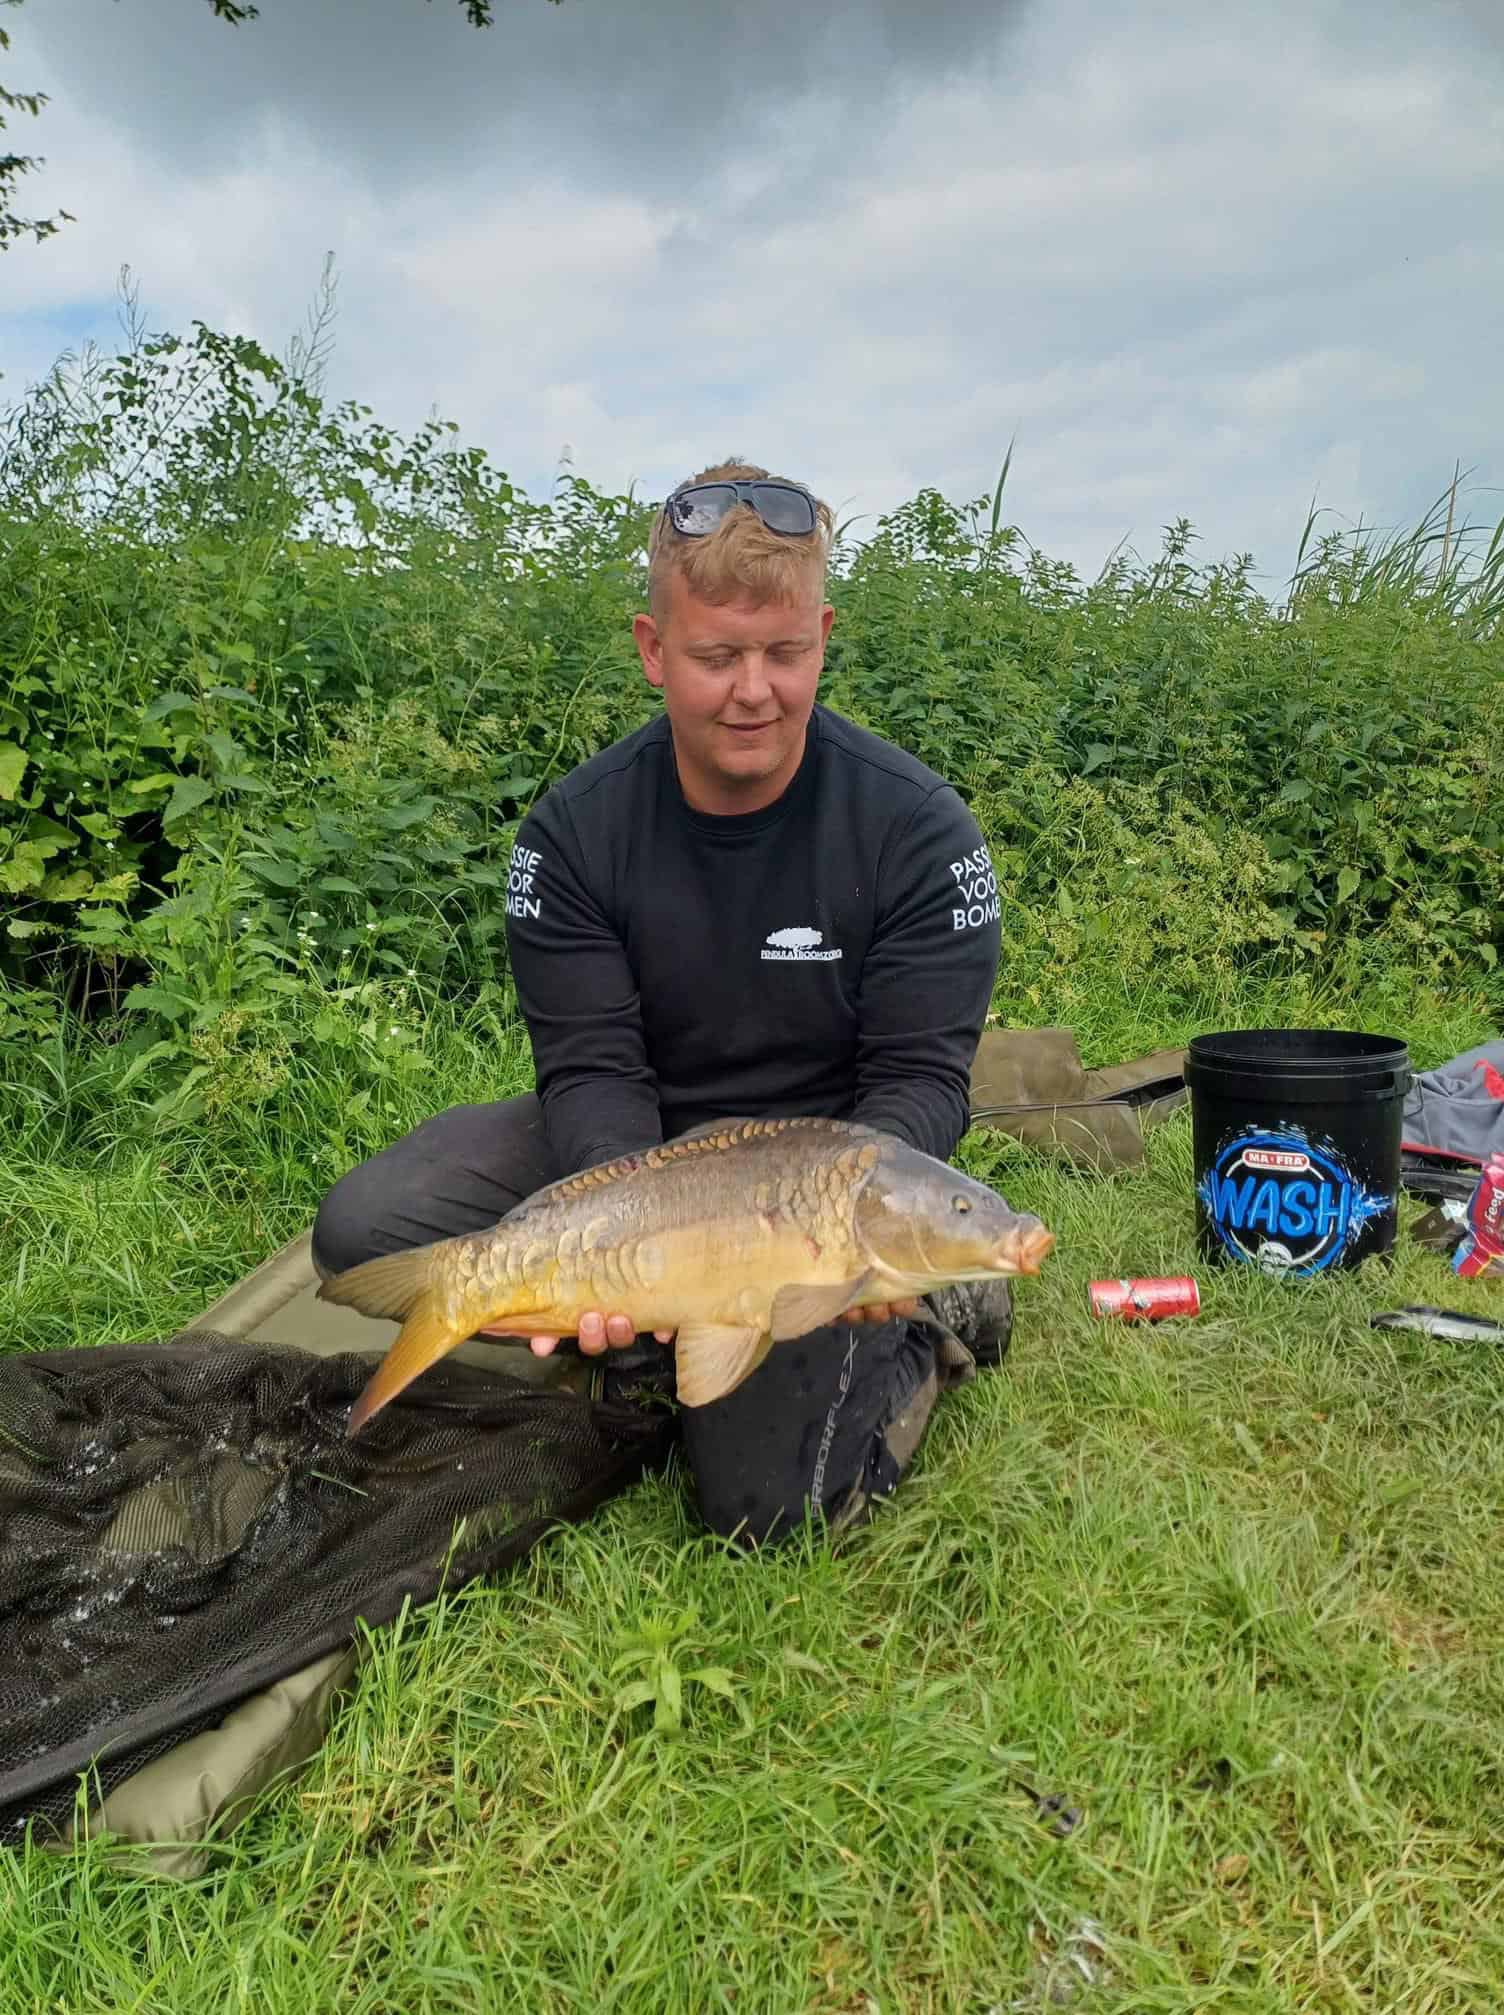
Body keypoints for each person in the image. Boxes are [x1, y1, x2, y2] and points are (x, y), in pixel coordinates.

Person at [312, 460, 1012, 1544]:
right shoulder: (573, 833)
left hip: (821, 1175)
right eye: (716, 654)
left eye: (785, 652)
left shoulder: (917, 831)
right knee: (367, 1228)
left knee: (764, 1506)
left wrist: (857, 1248)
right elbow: (592, 1073)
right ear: (652, 648)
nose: (754, 689)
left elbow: (920, 1081)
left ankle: (935, 1308)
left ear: (823, 632)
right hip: (639, 1146)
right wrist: (604, 1243)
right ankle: (641, 1326)